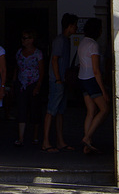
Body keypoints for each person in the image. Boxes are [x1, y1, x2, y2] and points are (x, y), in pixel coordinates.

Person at [42, 13, 78, 152]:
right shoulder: (60, 40)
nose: (76, 28)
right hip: (57, 80)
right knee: (51, 110)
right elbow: (54, 59)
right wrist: (58, 78)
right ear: (69, 26)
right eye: (74, 25)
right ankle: (46, 142)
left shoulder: (65, 40)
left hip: (61, 80)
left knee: (60, 111)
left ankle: (60, 141)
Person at [78, 17, 110, 154]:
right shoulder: (93, 45)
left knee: (90, 111)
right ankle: (87, 137)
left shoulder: (82, 42)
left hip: (82, 79)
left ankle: (88, 144)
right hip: (91, 79)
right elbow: (96, 70)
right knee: (104, 109)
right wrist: (104, 91)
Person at [13, 28, 44, 146]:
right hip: (22, 84)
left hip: (33, 83)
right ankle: (21, 137)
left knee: (35, 110)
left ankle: (35, 136)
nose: (23, 40)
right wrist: (14, 82)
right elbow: (17, 67)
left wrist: (38, 86)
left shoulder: (38, 54)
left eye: (25, 38)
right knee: (21, 109)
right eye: (22, 38)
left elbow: (41, 71)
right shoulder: (19, 52)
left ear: (32, 39)